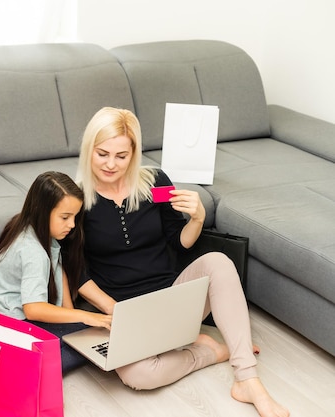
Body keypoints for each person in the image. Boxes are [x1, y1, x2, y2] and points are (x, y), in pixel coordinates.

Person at [75, 107, 289, 417]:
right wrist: (114, 311)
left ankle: (247, 379)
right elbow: (76, 272)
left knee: (218, 261)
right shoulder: (76, 198)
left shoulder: (155, 182)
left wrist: (198, 217)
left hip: (173, 297)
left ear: (134, 153)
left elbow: (179, 241)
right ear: (89, 150)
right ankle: (210, 350)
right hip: (125, 312)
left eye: (121, 156)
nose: (111, 164)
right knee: (139, 376)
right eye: (102, 154)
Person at [0, 171, 112, 373]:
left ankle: (33, 358)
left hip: (12, 318)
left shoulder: (30, 227)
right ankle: (24, 366)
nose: (71, 224)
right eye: (65, 217)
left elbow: (57, 267)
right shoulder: (32, 250)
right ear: (42, 211)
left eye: (75, 217)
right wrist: (83, 317)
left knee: (87, 332)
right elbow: (33, 309)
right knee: (94, 336)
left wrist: (73, 317)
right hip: (14, 323)